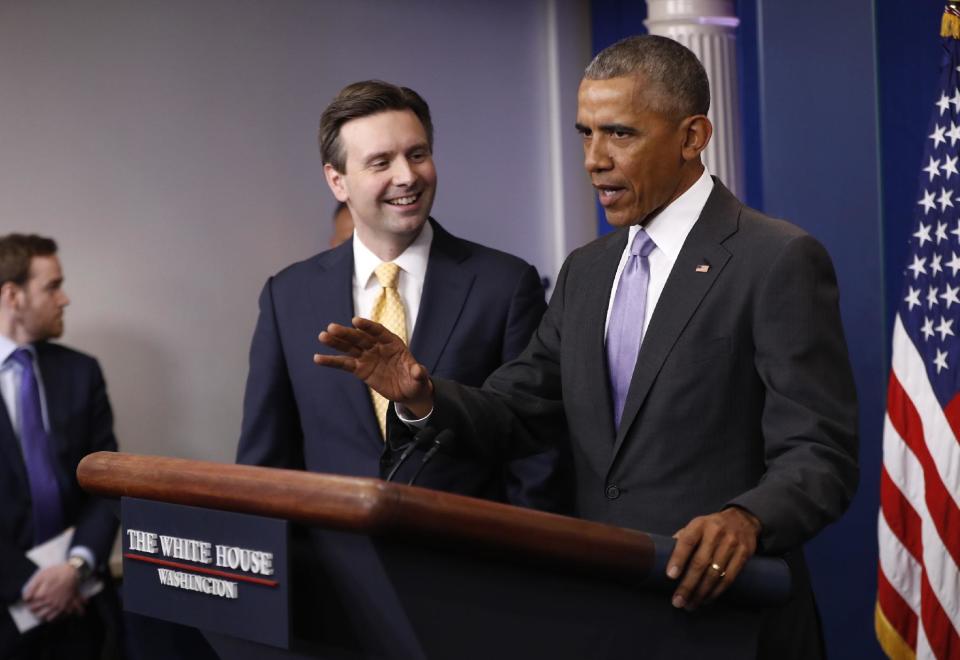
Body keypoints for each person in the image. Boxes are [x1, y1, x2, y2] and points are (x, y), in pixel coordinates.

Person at [314, 37, 858, 658]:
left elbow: (820, 452)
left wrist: (747, 518)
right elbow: (520, 409)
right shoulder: (588, 270)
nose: (594, 159)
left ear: (693, 136)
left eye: (620, 134)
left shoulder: (775, 258)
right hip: (609, 615)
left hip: (731, 624)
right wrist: (423, 394)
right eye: (585, 134)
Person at [238, 80, 565, 511]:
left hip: (468, 564)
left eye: (418, 154)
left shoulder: (504, 285)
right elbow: (267, 468)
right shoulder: (288, 296)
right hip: (333, 569)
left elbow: (536, 451)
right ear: (337, 181)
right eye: (381, 162)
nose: (407, 176)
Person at [0, 234, 120, 659]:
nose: (64, 299)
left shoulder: (81, 373)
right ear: (12, 296)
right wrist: (31, 583)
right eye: (52, 287)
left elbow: (107, 486)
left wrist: (74, 568)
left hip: (80, 609)